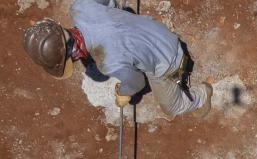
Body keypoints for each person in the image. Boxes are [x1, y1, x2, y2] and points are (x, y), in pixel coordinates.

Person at [22, 0, 212, 118]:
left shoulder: (108, 63)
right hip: (155, 30)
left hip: (169, 59)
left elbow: (137, 82)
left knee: (172, 108)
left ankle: (201, 97)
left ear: (71, 55)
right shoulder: (80, 7)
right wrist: (113, 16)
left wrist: (123, 93)